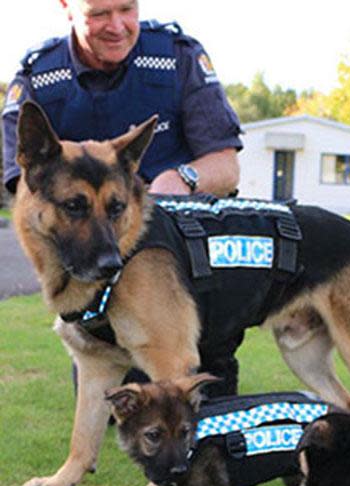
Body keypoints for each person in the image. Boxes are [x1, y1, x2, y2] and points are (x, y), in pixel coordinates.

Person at [2, 0, 244, 392]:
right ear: (66, 6)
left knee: (202, 421)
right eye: (99, 13)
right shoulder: (38, 77)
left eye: (126, 9)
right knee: (123, 418)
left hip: (186, 284)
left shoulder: (178, 58)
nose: (117, 26)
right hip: (97, 305)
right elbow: (26, 194)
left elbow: (226, 166)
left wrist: (180, 178)